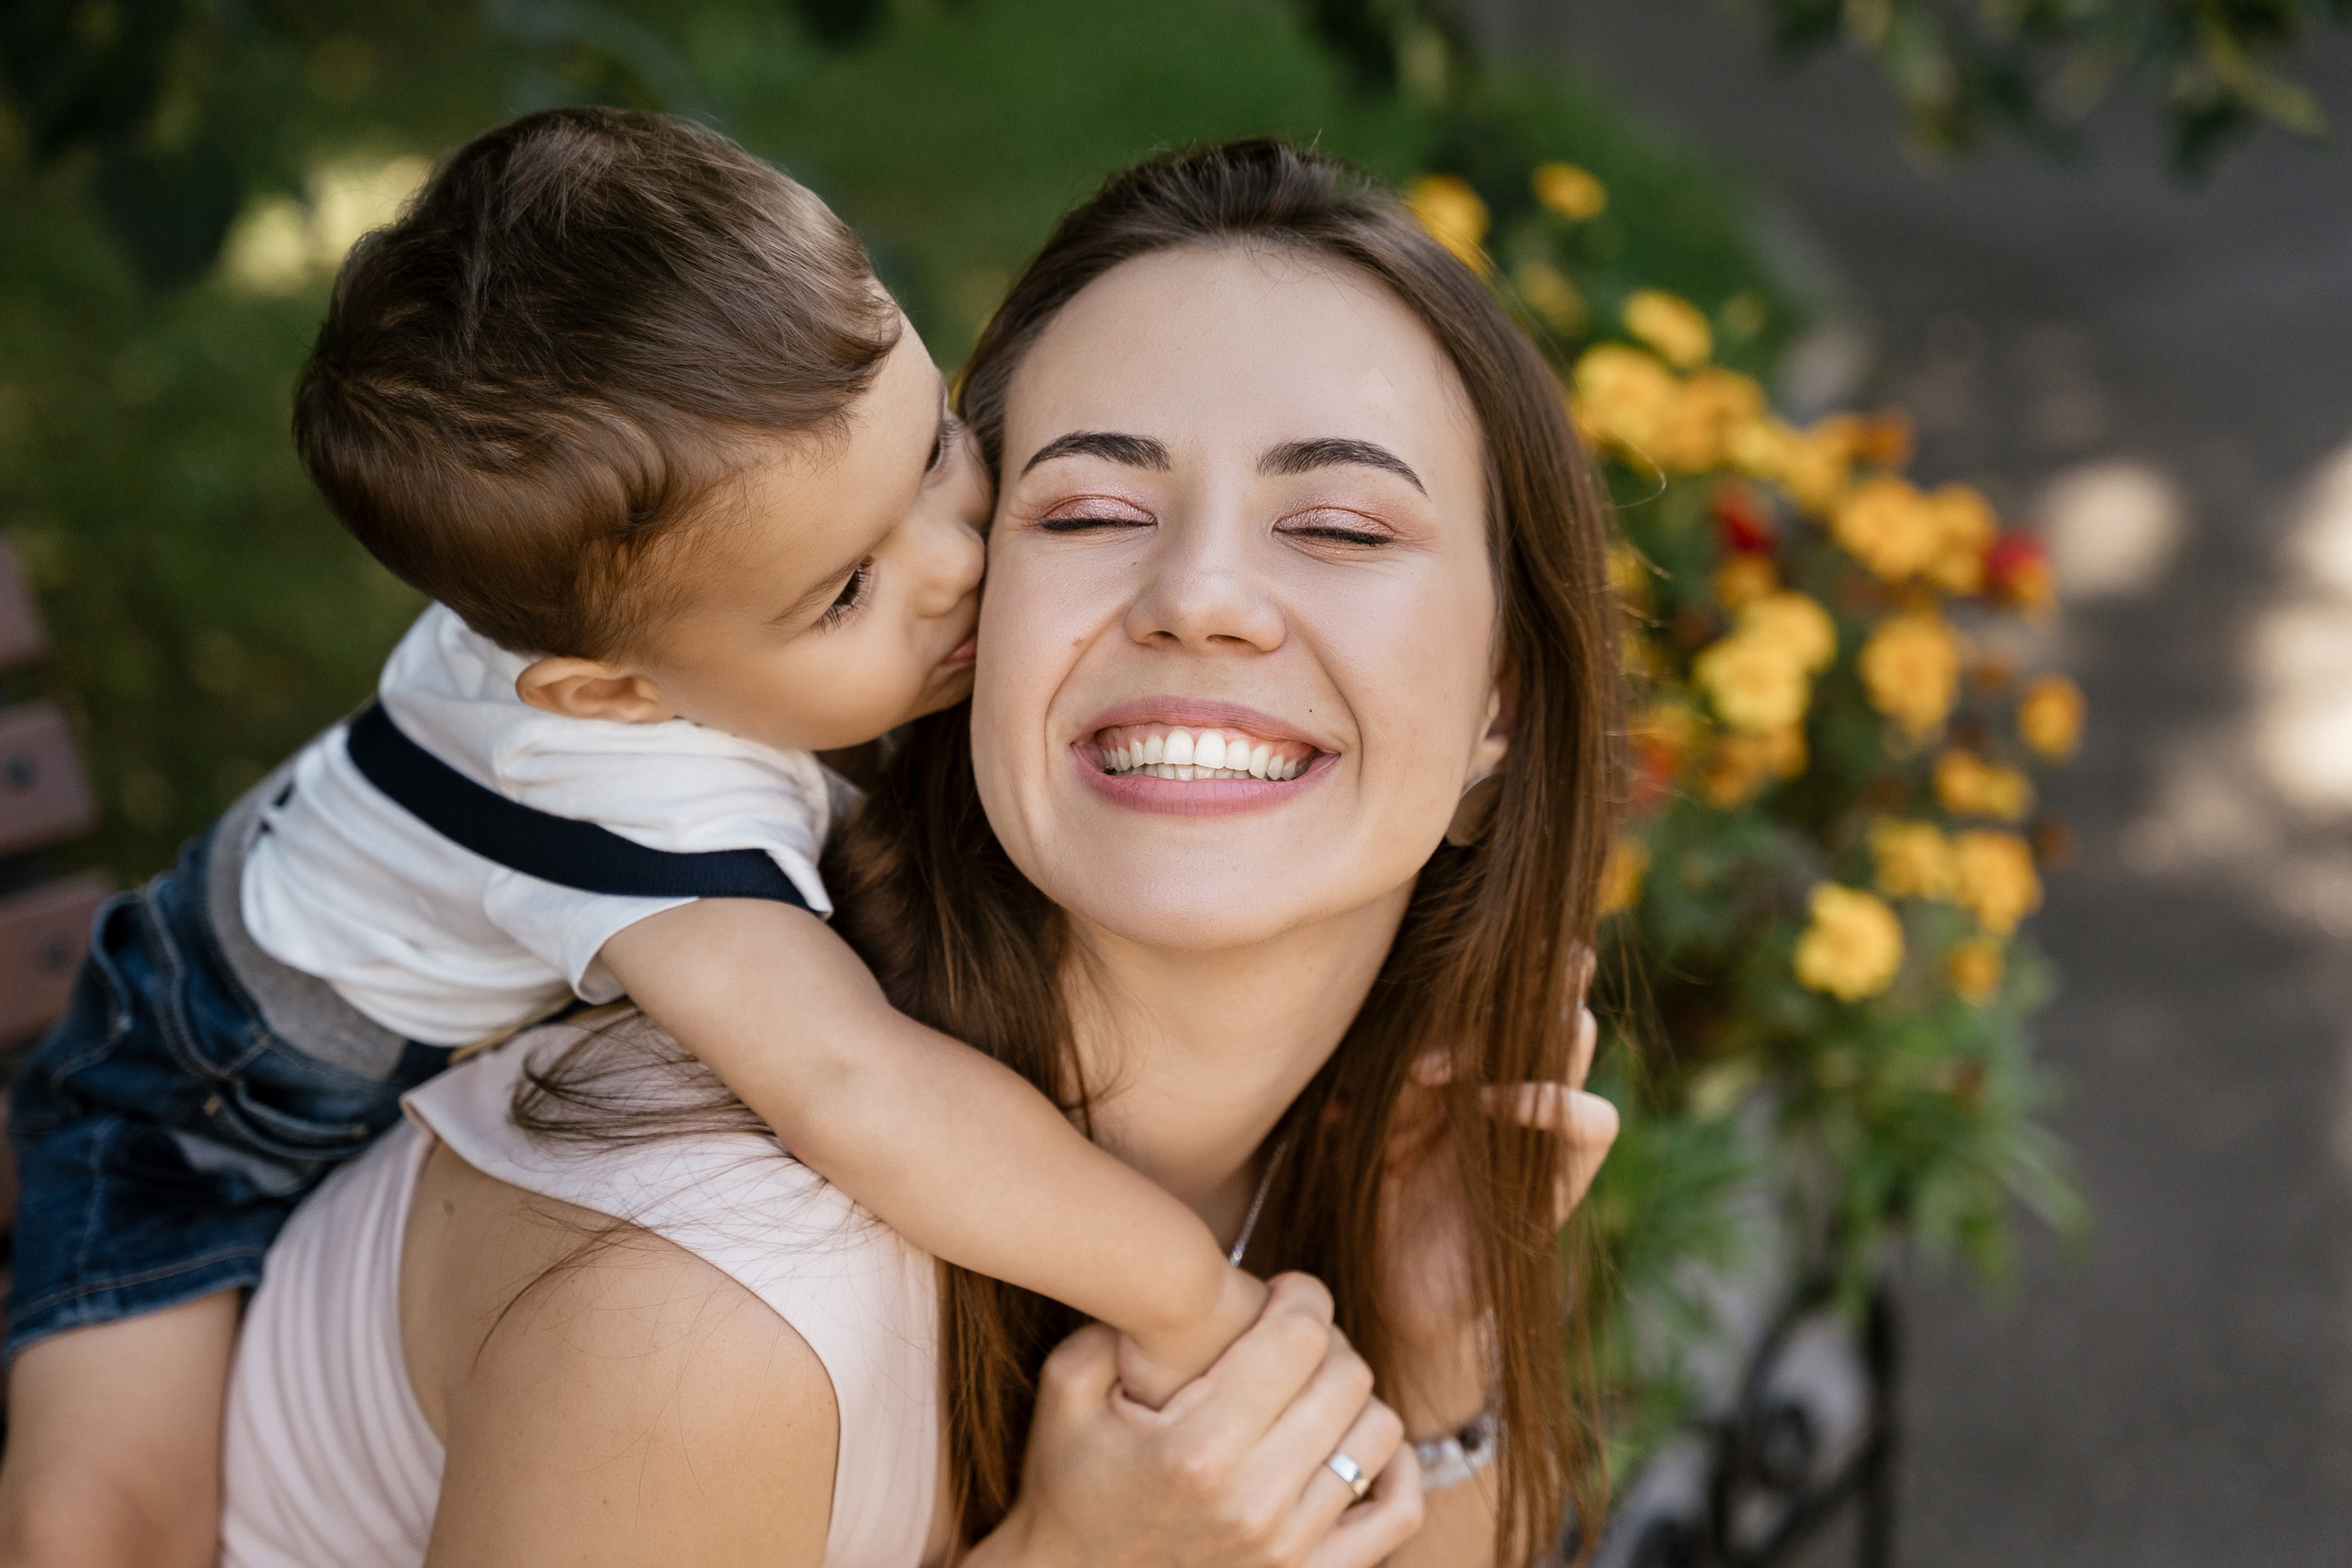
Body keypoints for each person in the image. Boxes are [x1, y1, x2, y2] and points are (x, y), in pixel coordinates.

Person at [214, 137, 1626, 1565]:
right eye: (1086, 511)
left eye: (1333, 525)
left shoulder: (1321, 1178)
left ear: (1500, 702)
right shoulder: (715, 1297)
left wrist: (1433, 1370)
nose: (1200, 595)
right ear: (968, 642)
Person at [0, 108, 1260, 1568]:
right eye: (846, 593)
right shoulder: (618, 803)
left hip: (320, 934)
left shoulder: (657, 587)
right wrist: (1186, 1292)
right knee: (98, 1535)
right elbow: (851, 1087)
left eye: (929, 450)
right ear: (611, 690)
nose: (957, 562)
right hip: (183, 1114)